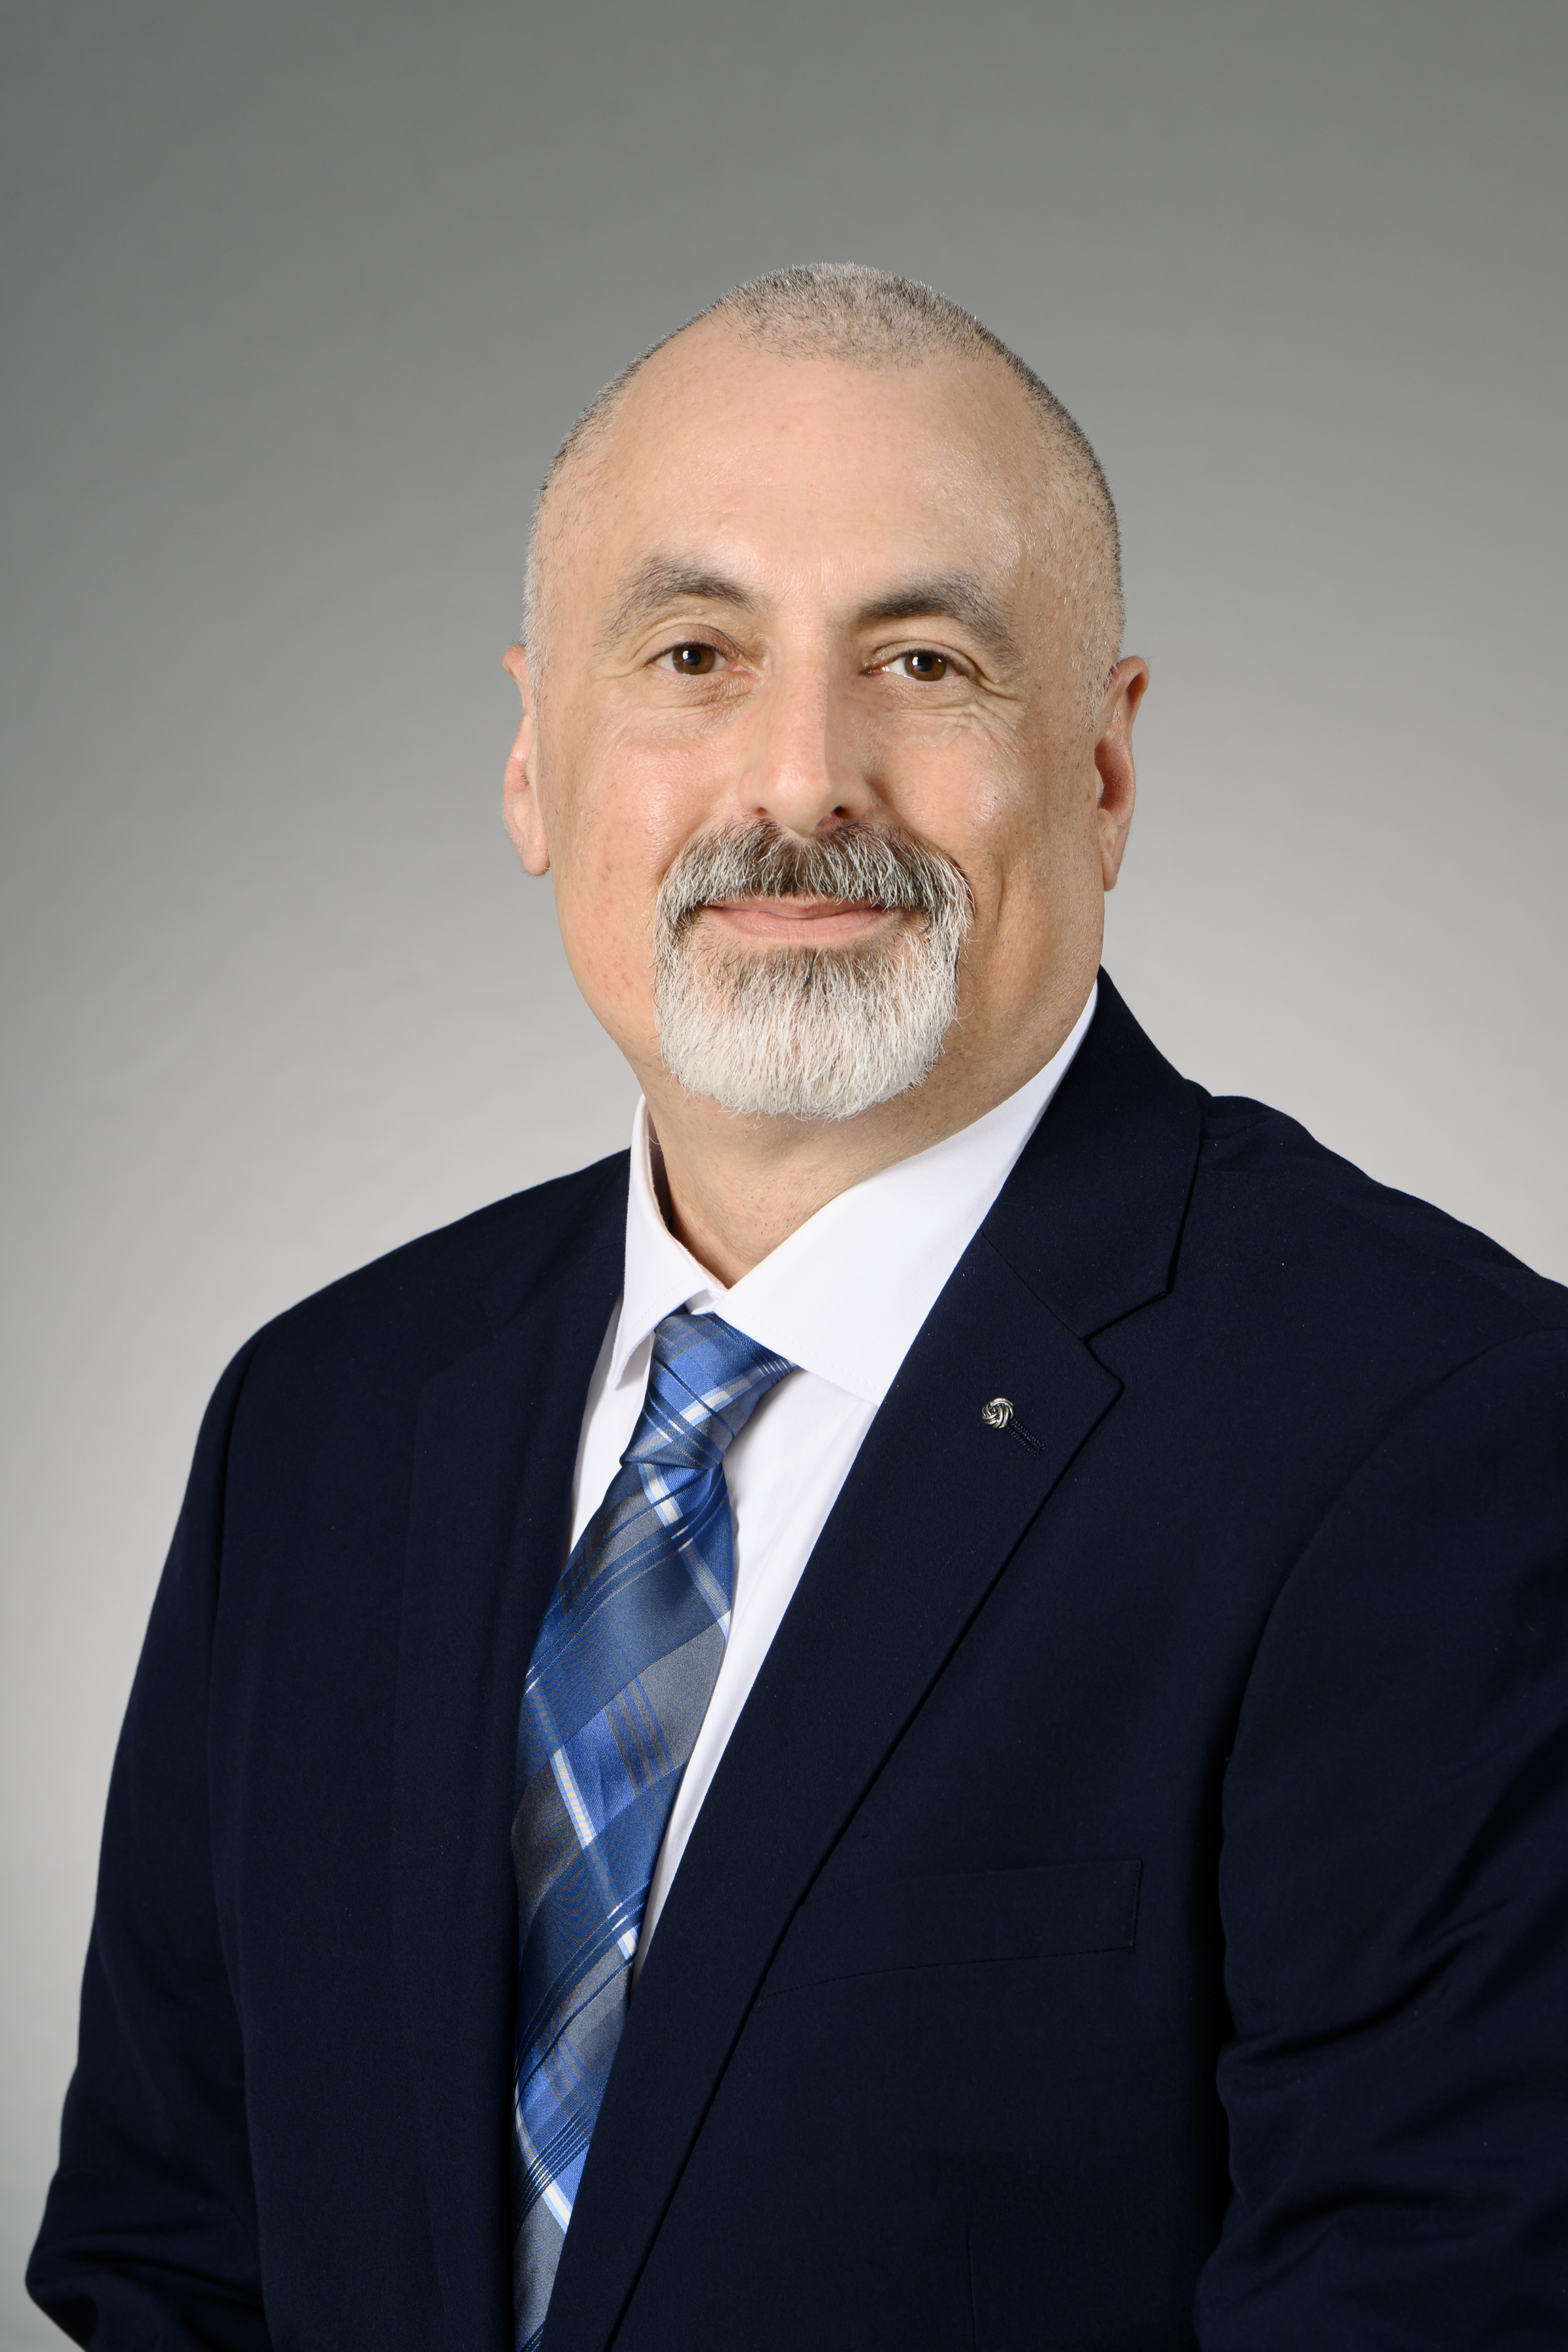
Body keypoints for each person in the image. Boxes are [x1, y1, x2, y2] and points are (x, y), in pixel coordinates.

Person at [27, 265, 1568, 2352]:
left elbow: (1429, 2299)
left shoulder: (1444, 1435)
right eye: (694, 654)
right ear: (535, 760)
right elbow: (173, 2263)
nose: (803, 779)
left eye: (924, 663)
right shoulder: (321, 1421)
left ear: (1103, 769)